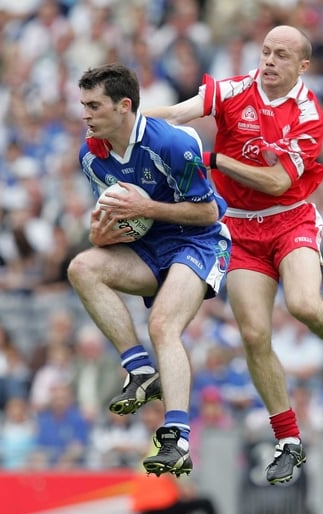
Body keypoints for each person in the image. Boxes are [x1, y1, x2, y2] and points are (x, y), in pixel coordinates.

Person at [145, 25, 323, 484]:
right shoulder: (234, 89)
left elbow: (275, 183)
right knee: (253, 334)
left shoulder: (309, 114)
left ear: (302, 66)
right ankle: (289, 440)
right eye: (266, 51)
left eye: (281, 55)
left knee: (305, 304)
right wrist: (125, 122)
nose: (269, 61)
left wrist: (213, 160)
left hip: (289, 219)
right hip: (241, 230)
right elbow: (176, 112)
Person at [68, 63, 231, 478]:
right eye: (82, 104)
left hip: (198, 242)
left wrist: (149, 209)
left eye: (93, 105)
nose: (84, 115)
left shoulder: (173, 144)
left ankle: (176, 438)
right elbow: (121, 226)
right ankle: (140, 371)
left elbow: (210, 211)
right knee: (82, 267)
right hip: (147, 249)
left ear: (124, 106)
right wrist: (103, 235)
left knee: (162, 325)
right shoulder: (91, 155)